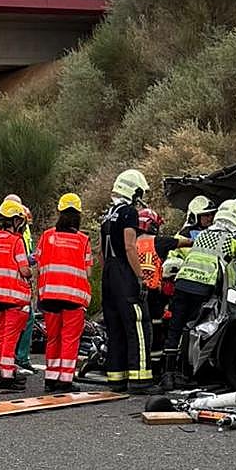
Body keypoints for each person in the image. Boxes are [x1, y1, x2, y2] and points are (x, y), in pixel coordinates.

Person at [161, 198, 236, 390]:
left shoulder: (202, 234)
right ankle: (187, 374)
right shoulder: (234, 239)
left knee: (177, 329)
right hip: (203, 288)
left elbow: (183, 256)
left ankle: (168, 375)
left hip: (182, 284)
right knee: (199, 330)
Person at [100, 169, 158, 394]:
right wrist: (140, 277)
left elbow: (102, 252)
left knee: (115, 328)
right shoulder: (128, 212)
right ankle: (140, 379)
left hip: (108, 275)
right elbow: (129, 246)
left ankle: (117, 378)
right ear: (132, 190)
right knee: (138, 325)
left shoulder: (107, 214)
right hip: (124, 272)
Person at [34, 193, 92, 393]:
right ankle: (65, 380)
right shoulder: (83, 240)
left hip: (49, 296)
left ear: (59, 213)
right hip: (73, 297)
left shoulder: (47, 236)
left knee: (53, 338)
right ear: (78, 215)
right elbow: (88, 271)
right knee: (69, 339)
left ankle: (50, 378)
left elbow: (39, 264)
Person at [0, 198, 34, 394]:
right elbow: (24, 270)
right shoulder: (16, 242)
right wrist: (30, 269)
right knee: (10, 338)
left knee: (0, 336)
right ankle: (6, 378)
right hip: (13, 298)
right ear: (15, 221)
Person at [136, 209, 192, 374]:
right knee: (156, 333)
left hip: (133, 291)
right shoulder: (159, 242)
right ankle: (154, 369)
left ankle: (137, 365)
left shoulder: (130, 242)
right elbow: (184, 242)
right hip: (152, 294)